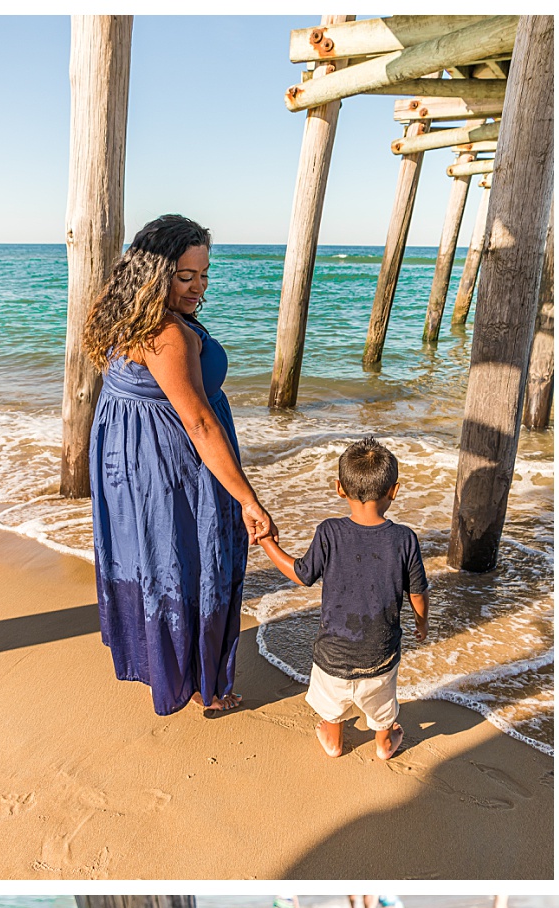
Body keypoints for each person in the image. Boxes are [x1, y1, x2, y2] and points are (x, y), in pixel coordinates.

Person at [84, 214, 275, 717]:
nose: (198, 288)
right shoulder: (167, 332)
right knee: (191, 563)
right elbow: (199, 424)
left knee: (158, 562)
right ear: (154, 273)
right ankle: (201, 685)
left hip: (129, 461)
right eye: (185, 276)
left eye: (204, 275)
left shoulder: (125, 314)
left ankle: (175, 669)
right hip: (166, 465)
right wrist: (247, 499)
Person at [257, 437, 428, 762]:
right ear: (394, 490)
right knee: (382, 708)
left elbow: (301, 574)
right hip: (381, 654)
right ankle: (384, 743)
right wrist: (422, 622)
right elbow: (417, 592)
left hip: (332, 655)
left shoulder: (329, 532)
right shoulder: (404, 539)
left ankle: (334, 742)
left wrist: (267, 544)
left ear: (339, 487)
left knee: (332, 708)